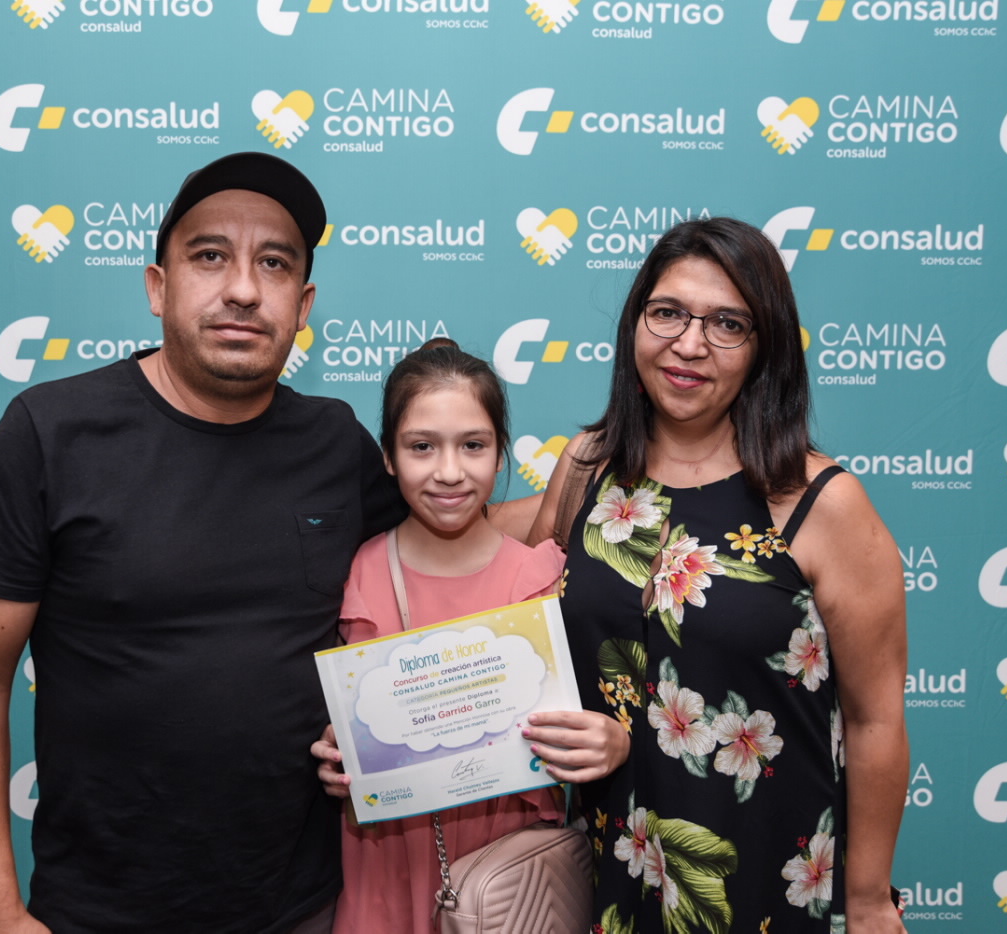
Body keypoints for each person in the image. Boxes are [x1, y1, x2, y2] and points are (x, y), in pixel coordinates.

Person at [0, 152, 406, 933]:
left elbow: (454, 545)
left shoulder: (334, 442)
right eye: (210, 256)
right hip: (97, 915)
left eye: (274, 263)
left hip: (300, 910)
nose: (243, 289)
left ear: (303, 303)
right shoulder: (52, 433)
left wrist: (586, 479)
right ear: (158, 287)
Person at [527, 218, 908, 933]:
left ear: (765, 346)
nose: (690, 344)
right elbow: (511, 618)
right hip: (618, 876)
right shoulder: (588, 470)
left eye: (727, 324)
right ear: (636, 323)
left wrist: (867, 901)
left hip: (773, 884)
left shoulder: (820, 502)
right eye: (667, 312)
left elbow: (876, 719)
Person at [310, 340, 629, 933]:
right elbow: (345, 723)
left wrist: (609, 743)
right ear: (388, 457)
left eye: (473, 446)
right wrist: (339, 755)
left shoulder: (543, 578)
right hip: (385, 867)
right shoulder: (356, 574)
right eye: (421, 447)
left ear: (501, 452)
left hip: (509, 879)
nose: (449, 472)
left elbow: (595, 721)